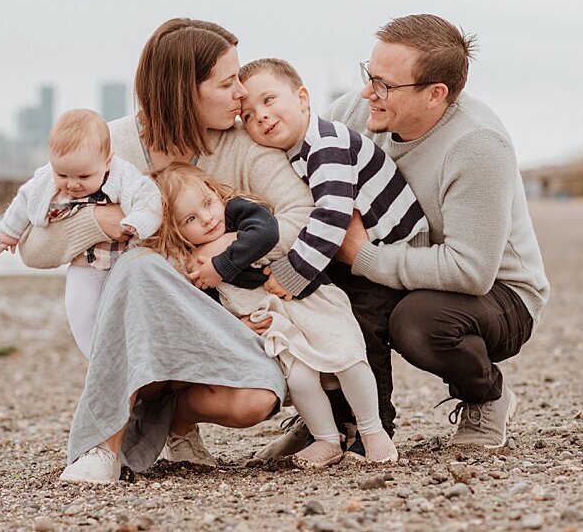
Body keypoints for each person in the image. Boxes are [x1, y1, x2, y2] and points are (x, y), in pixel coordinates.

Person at [18, 18, 313, 483]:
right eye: (226, 82)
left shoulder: (240, 146)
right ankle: (102, 446)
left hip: (217, 319)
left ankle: (171, 419)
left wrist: (224, 247)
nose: (241, 92)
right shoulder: (108, 148)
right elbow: (33, 247)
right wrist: (103, 220)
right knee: (140, 265)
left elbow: (304, 215)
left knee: (257, 399)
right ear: (184, 91)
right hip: (129, 331)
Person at [264, 14, 549, 454]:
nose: (366, 93)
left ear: (436, 94)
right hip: (398, 261)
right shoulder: (357, 114)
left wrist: (361, 254)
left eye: (384, 85)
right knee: (321, 291)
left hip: (498, 293)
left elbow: (470, 271)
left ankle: (487, 396)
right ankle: (337, 421)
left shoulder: (477, 146)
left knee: (417, 322)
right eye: (369, 75)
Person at [147, 162, 398, 467]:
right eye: (190, 218)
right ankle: (326, 440)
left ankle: (374, 431)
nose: (207, 218)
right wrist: (235, 325)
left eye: (207, 204)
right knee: (301, 378)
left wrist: (222, 261)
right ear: (177, 231)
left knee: (346, 358)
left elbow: (266, 233)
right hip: (277, 323)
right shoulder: (196, 264)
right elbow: (208, 310)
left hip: (309, 301)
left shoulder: (239, 212)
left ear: (214, 191)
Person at [236, 58, 429, 451]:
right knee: (323, 322)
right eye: (249, 114)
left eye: (270, 100)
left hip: (394, 251)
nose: (262, 116)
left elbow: (331, 215)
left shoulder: (326, 144)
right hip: (354, 257)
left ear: (303, 97)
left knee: (361, 331)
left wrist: (293, 273)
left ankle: (376, 428)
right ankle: (331, 425)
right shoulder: (293, 153)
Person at [0, 108, 162, 358]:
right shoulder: (44, 180)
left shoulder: (123, 174)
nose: (72, 184)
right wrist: (9, 232)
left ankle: (130, 357)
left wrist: (138, 222)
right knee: (79, 310)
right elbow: (25, 200)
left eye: (84, 176)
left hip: (123, 263)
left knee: (128, 312)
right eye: (62, 175)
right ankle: (97, 356)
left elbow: (146, 197)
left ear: (107, 161)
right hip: (84, 266)